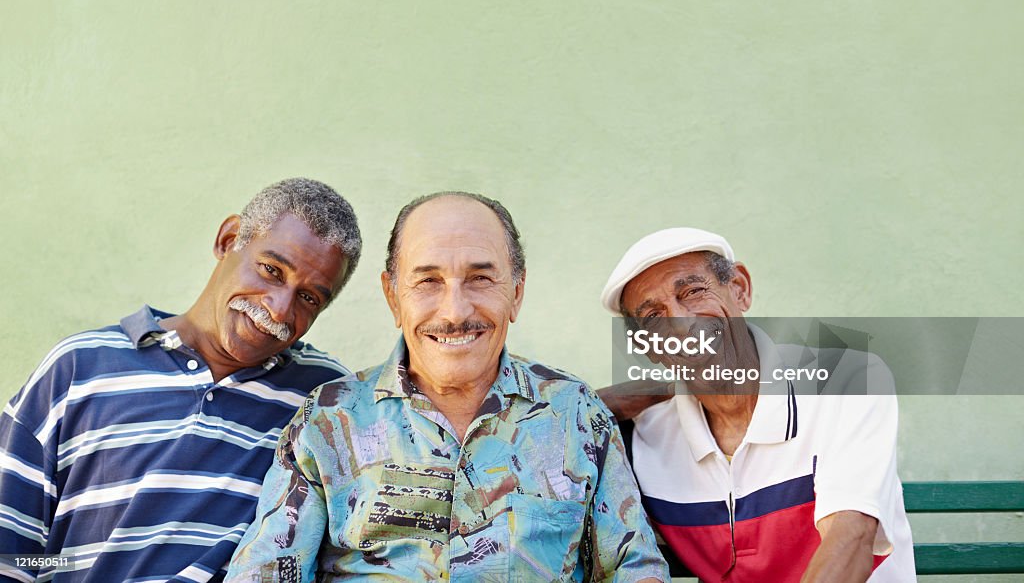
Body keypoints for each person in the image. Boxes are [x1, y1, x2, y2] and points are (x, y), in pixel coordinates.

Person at [225, 192, 668, 582]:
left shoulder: (576, 414)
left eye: (480, 278)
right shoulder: (328, 418)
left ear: (516, 292)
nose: (455, 311)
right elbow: (266, 571)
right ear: (393, 296)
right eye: (428, 281)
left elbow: (634, 568)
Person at [0, 178, 362, 583]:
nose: (279, 310)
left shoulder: (324, 402)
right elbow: (13, 556)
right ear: (228, 240)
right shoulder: (79, 369)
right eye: (271, 270)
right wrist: (84, 567)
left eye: (309, 298)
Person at [597, 227, 915, 582]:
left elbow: (851, 535)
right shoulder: (643, 435)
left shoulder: (848, 380)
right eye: (654, 318)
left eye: (693, 291)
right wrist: (596, 404)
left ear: (740, 289)